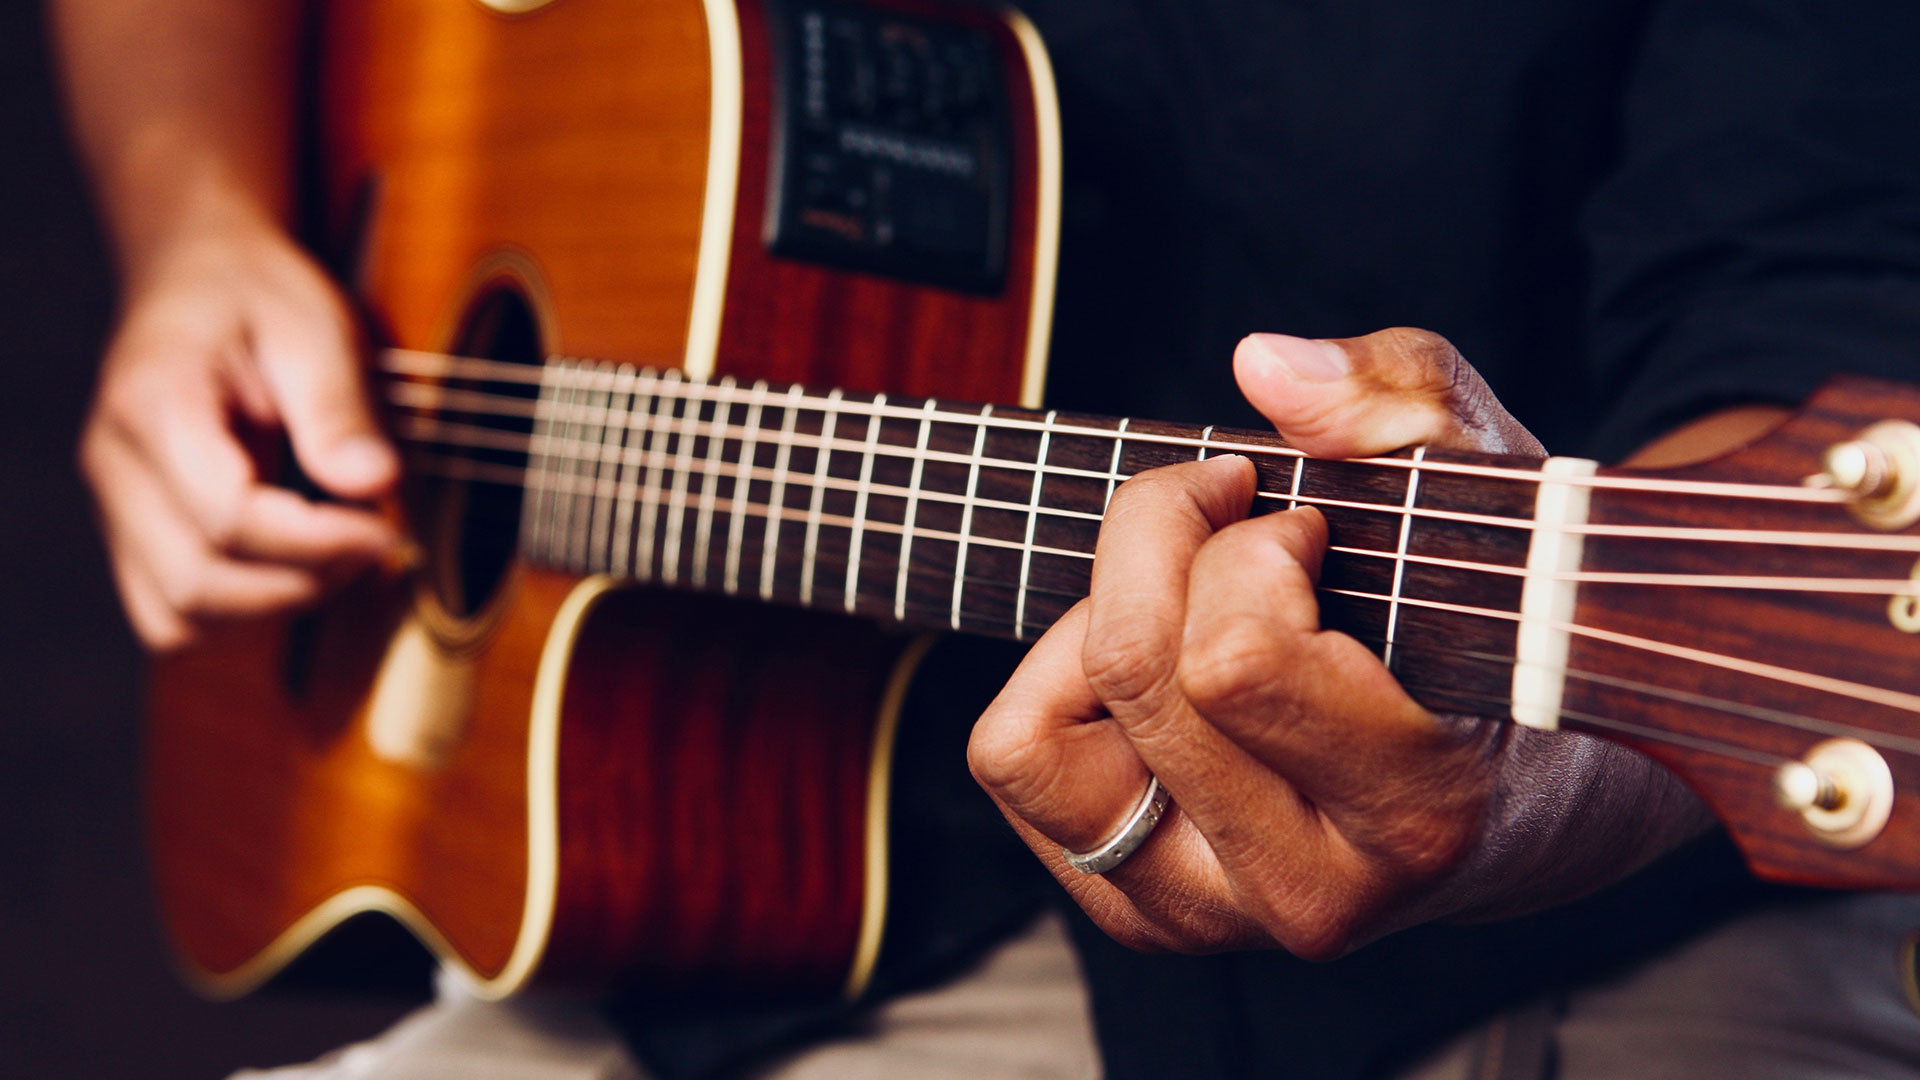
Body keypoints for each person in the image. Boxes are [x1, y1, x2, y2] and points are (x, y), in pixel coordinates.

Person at [54, 0, 1920, 1076]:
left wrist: (1531, 781)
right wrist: (194, 223)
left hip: (1519, 963)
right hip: (667, 929)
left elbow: (1820, 333)